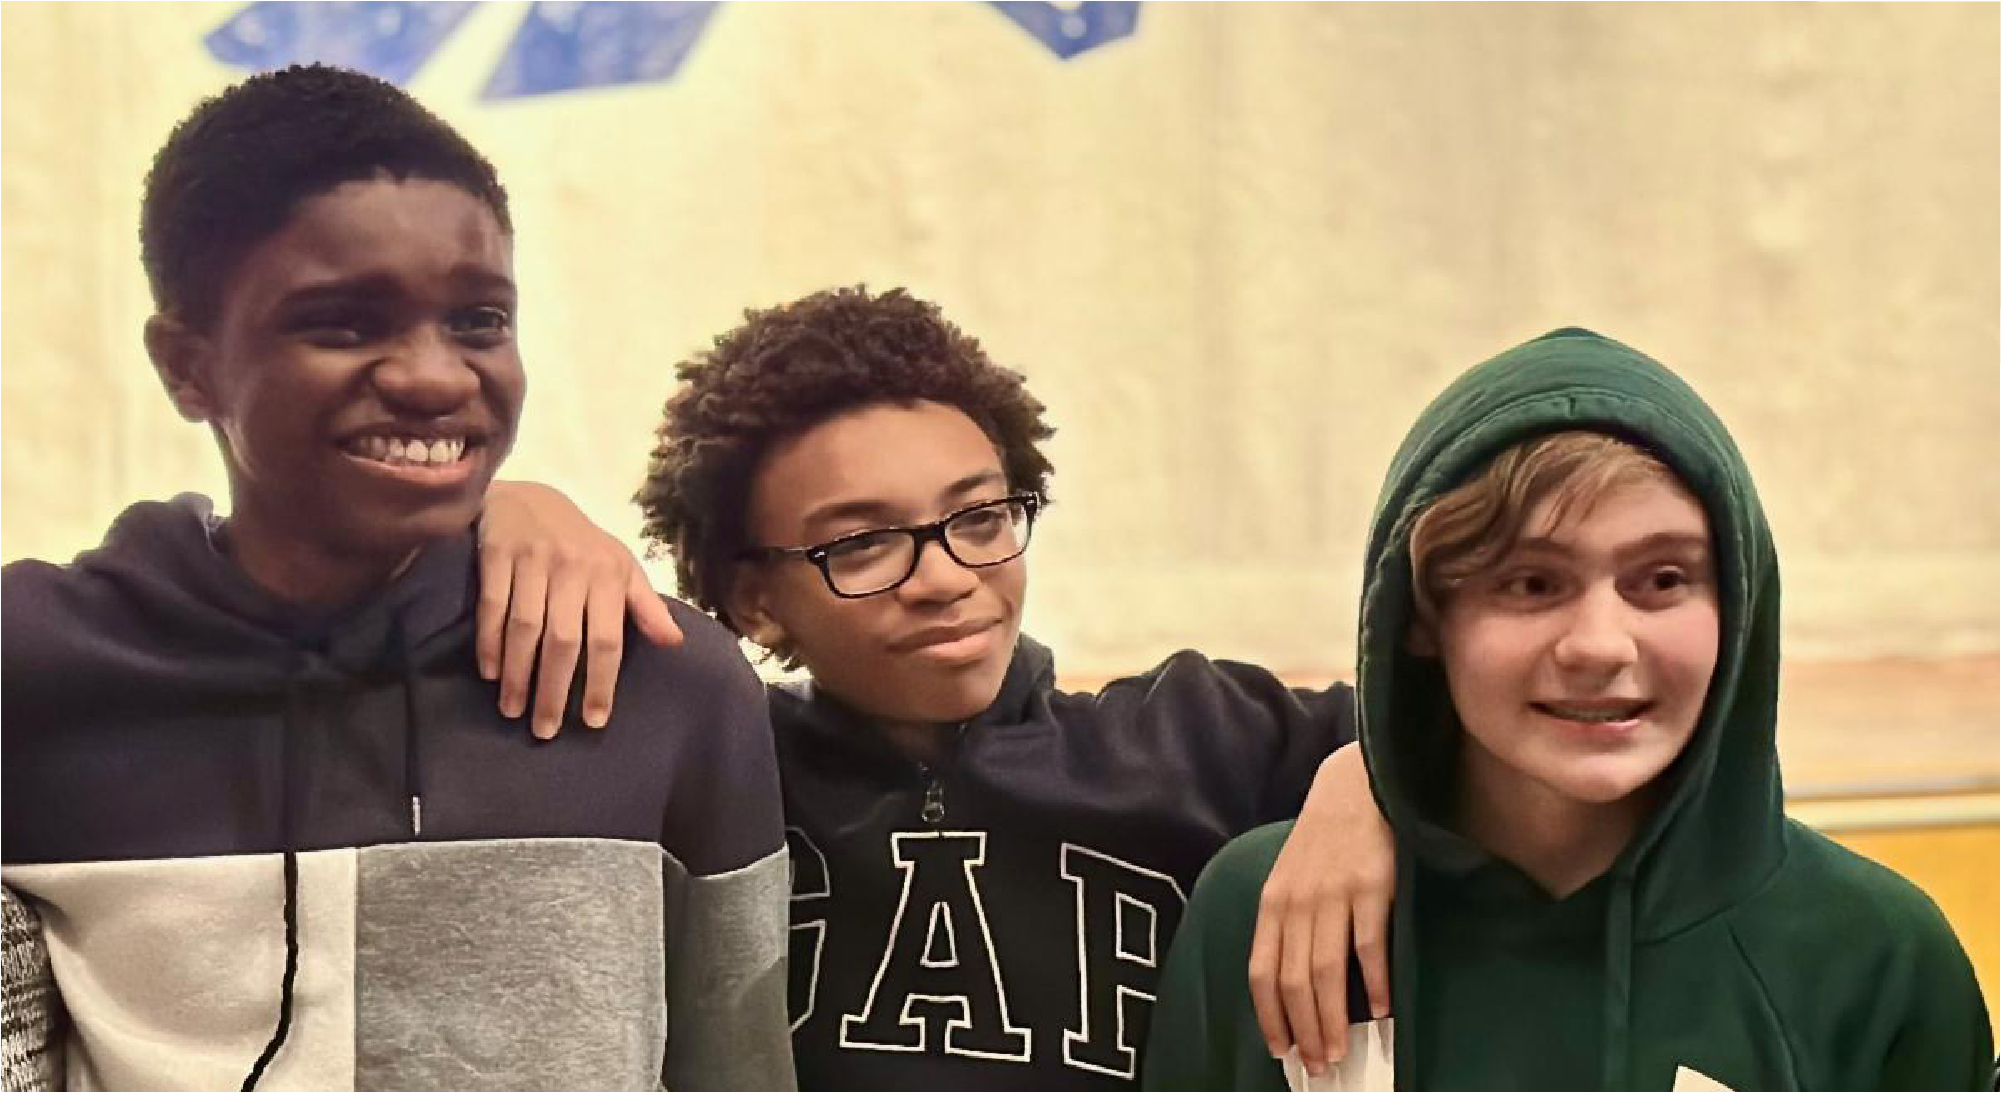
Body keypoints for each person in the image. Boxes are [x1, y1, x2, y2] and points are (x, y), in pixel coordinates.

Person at [0, 64, 793, 1091]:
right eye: (341, 322)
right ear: (186, 366)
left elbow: (739, 1073)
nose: (433, 376)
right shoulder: (37, 671)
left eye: (479, 321)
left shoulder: (664, 684)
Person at [478, 285, 1397, 1088]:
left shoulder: (1196, 734)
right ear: (754, 600)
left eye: (980, 516)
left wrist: (1366, 778)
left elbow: (1476, 743)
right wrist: (503, 510)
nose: (946, 575)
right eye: (862, 542)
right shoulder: (714, 773)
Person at [1144, 327, 1996, 1090]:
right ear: (1423, 619)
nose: (1599, 644)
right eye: (1530, 583)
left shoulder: (1876, 957)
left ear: (1736, 606)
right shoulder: (1269, 913)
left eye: (1661, 580)